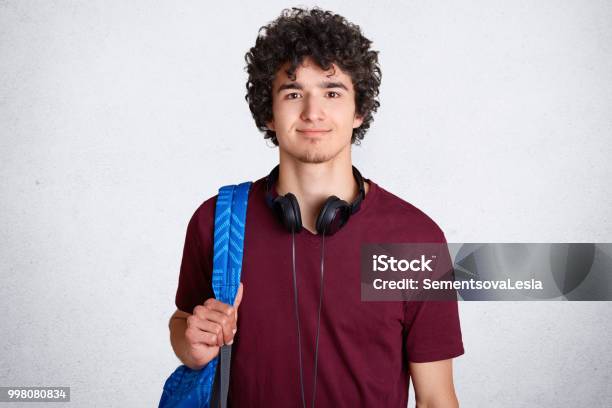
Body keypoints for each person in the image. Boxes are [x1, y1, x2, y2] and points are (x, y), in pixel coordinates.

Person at [168, 6, 464, 407]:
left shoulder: (415, 240)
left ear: (359, 110)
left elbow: (435, 398)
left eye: (332, 92)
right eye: (293, 93)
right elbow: (183, 323)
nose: (312, 112)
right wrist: (193, 346)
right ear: (268, 113)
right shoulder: (217, 221)